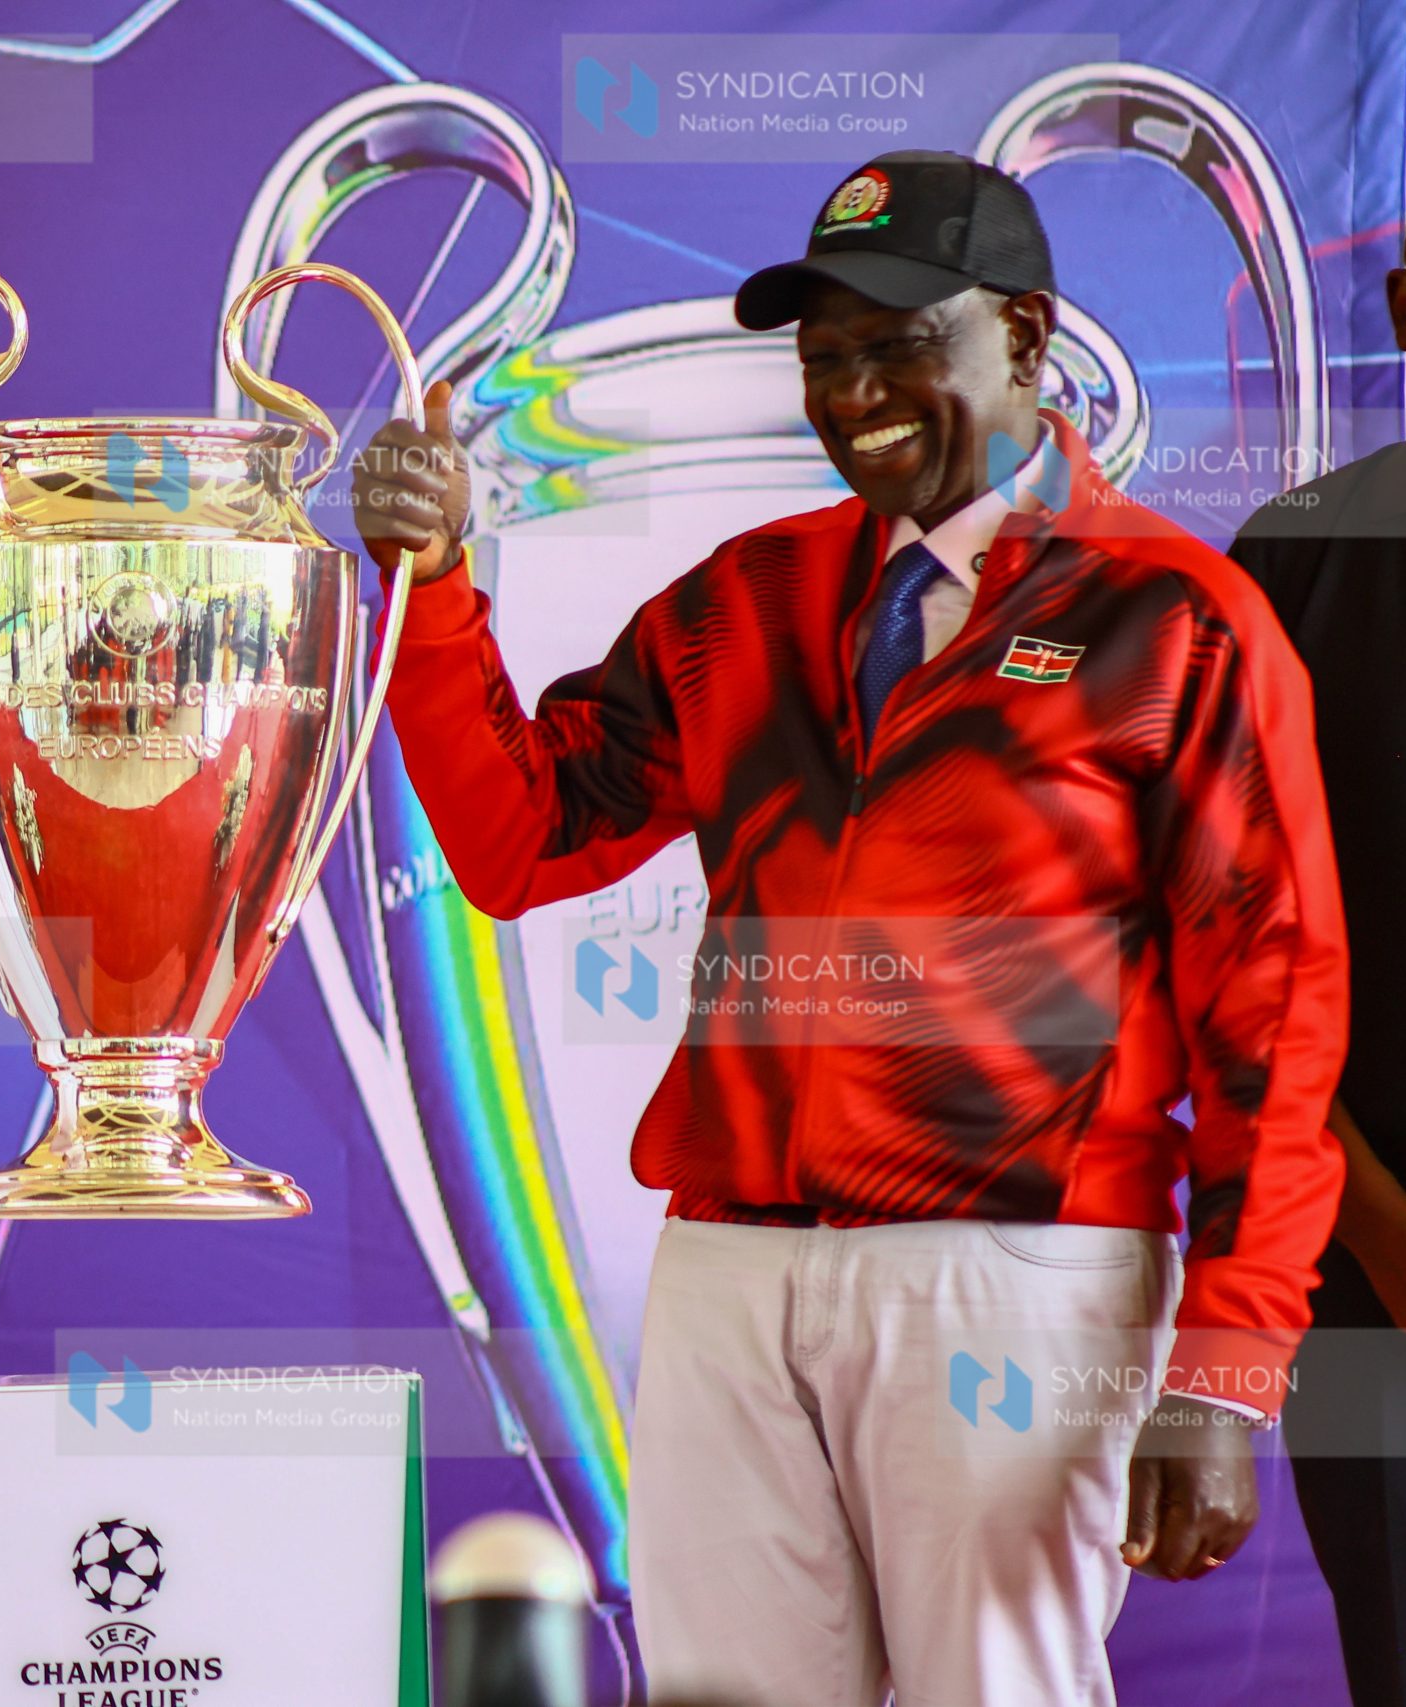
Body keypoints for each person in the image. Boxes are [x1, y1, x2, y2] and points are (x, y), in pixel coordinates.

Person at [352, 150, 1346, 1707]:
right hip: (730, 1270)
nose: (855, 391)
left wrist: (1226, 1368)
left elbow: (1274, 1026)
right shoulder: (751, 597)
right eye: (825, 357)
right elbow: (520, 836)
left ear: (1025, 337)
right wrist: (432, 593)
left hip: (1018, 1262)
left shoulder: (1174, 616)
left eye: (900, 344)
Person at [1224, 149, 1406, 1707]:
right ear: (1401, 310)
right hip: (1368, 1272)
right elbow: (1229, 953)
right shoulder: (1294, 559)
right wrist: (1366, 1214)